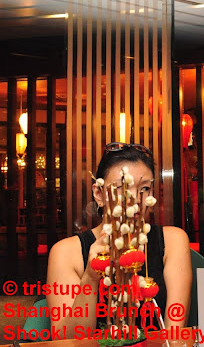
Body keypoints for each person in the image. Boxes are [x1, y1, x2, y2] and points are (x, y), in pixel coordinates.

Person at [46, 142, 192, 334]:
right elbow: (66, 340)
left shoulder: (173, 241)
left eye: (144, 189)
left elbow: (174, 333)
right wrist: (90, 278)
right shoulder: (66, 253)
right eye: (122, 188)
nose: (135, 200)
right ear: (98, 194)